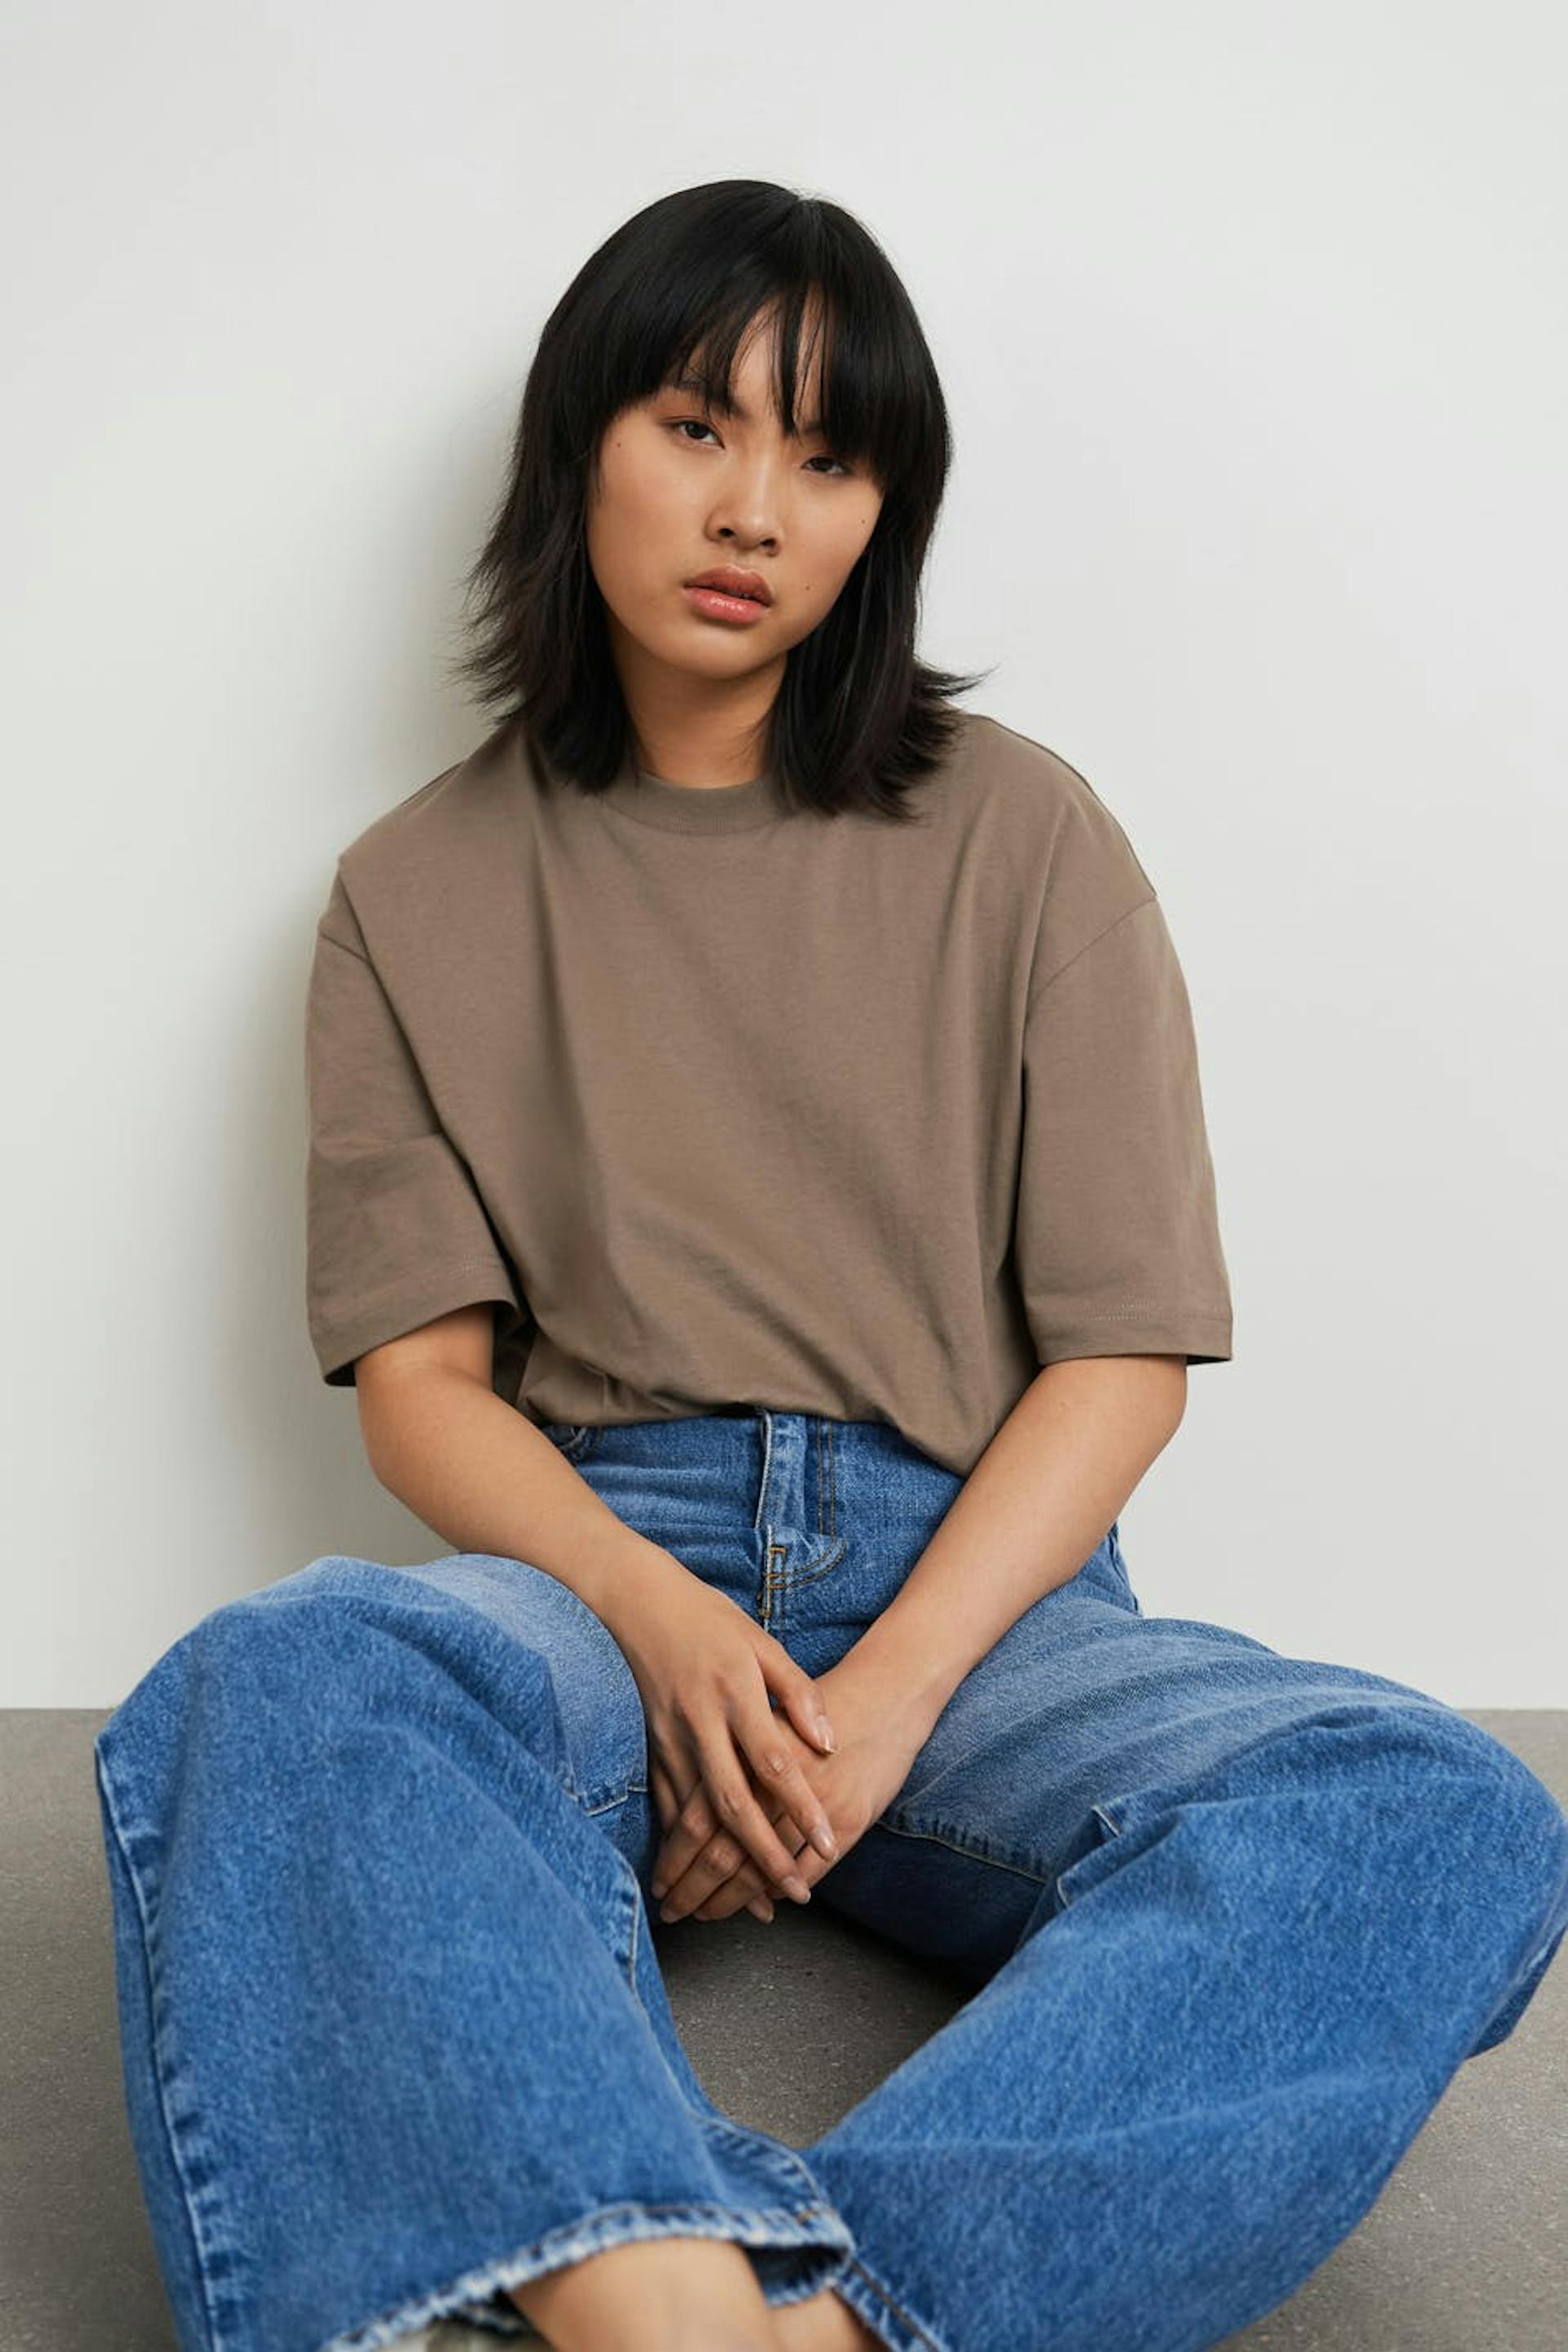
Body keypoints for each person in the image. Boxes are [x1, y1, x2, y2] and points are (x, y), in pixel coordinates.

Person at [92, 180, 1568, 2352]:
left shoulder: (1029, 833)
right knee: (286, 1674)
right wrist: (664, 1625)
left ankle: (837, 2322)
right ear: (582, 440)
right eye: (697, 426)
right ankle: (648, 2296)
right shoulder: (410, 892)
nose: (754, 510)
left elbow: (1126, 1355)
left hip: (984, 1596)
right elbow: (424, 1393)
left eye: (828, 455)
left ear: (886, 513)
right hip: (606, 1564)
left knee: (1429, 1805)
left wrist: (871, 1712)